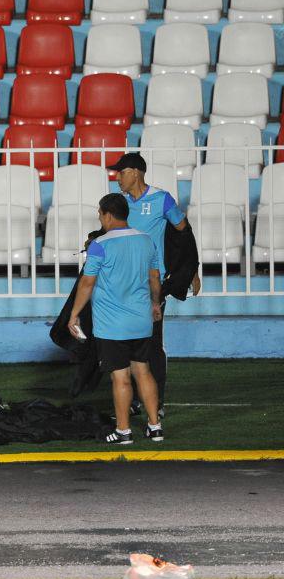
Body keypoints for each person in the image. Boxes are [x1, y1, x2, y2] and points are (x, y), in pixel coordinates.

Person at [68, 194, 165, 445]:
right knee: (143, 370)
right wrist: (156, 303)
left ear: (108, 215)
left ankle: (123, 431)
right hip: (141, 320)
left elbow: (87, 282)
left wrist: (74, 314)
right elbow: (155, 277)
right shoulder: (146, 240)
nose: (100, 219)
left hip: (112, 325)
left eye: (100, 214)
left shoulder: (100, 244)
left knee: (120, 377)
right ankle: (155, 427)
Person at [111, 153, 201, 415]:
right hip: (123, 283)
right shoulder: (120, 204)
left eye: (121, 173)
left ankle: (155, 402)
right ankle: (133, 399)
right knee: (124, 342)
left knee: (151, 343)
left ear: (135, 172)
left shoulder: (161, 199)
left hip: (152, 284)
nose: (117, 178)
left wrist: (191, 269)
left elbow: (184, 232)